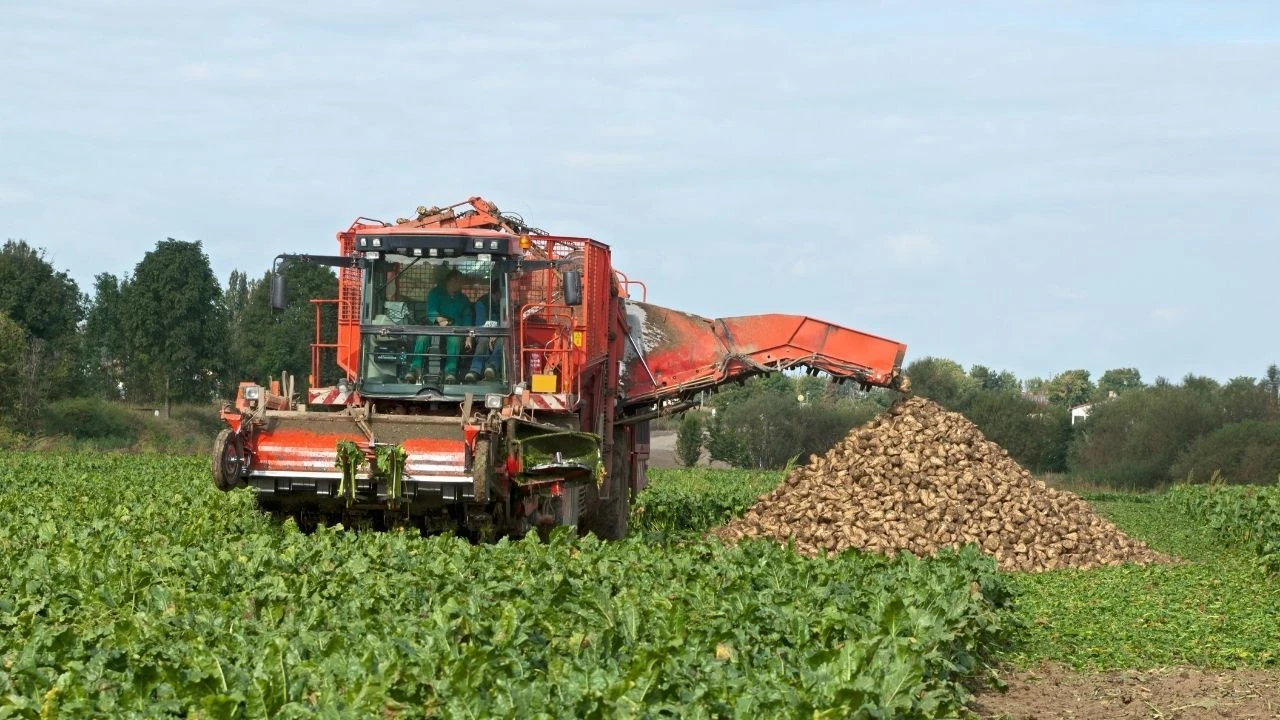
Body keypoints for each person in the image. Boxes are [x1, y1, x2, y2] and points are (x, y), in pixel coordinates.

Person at [411, 269, 470, 383]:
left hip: (454, 330)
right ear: (448, 280)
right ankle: (415, 369)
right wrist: (439, 319)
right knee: (422, 337)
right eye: (456, 280)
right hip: (434, 327)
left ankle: (450, 372)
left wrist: (468, 337)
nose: (458, 283)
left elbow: (467, 318)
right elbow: (431, 311)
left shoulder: (463, 299)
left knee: (455, 340)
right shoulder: (435, 293)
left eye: (460, 281)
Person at [465, 281, 503, 382]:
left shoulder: (504, 303)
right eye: (500, 294)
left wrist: (495, 333)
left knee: (502, 340)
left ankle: (492, 368)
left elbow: (505, 322)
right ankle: (474, 371)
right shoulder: (481, 303)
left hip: (499, 333)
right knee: (483, 340)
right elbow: (480, 325)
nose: (501, 297)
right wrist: (491, 334)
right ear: (496, 293)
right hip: (480, 332)